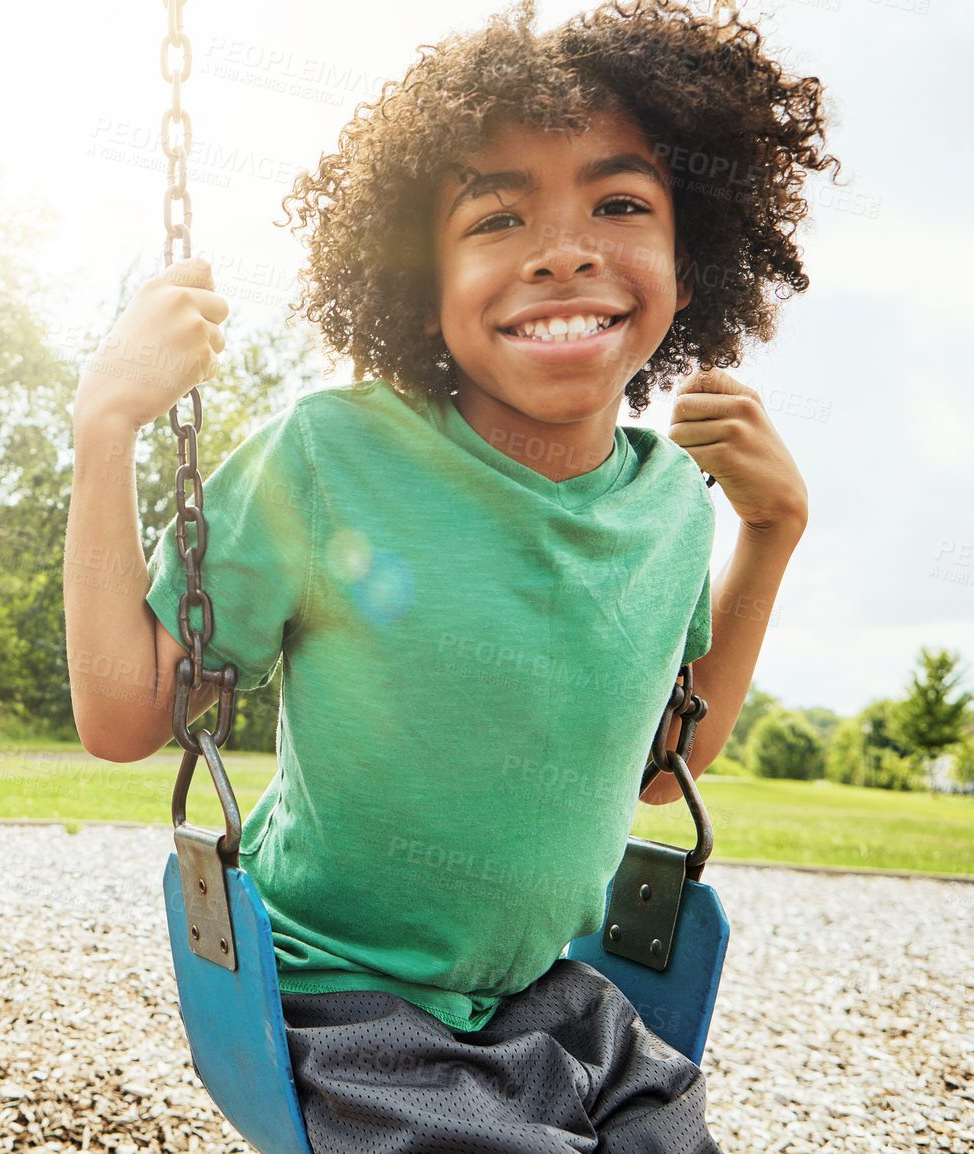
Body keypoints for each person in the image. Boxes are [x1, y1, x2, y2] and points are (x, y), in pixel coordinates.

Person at [64, 0, 832, 1148]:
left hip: (548, 1000)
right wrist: (106, 427)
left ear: (692, 255)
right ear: (421, 277)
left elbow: (668, 767)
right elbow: (125, 717)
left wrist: (771, 532)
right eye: (497, 215)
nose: (563, 248)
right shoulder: (329, 459)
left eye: (618, 204)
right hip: (338, 998)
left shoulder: (674, 501)